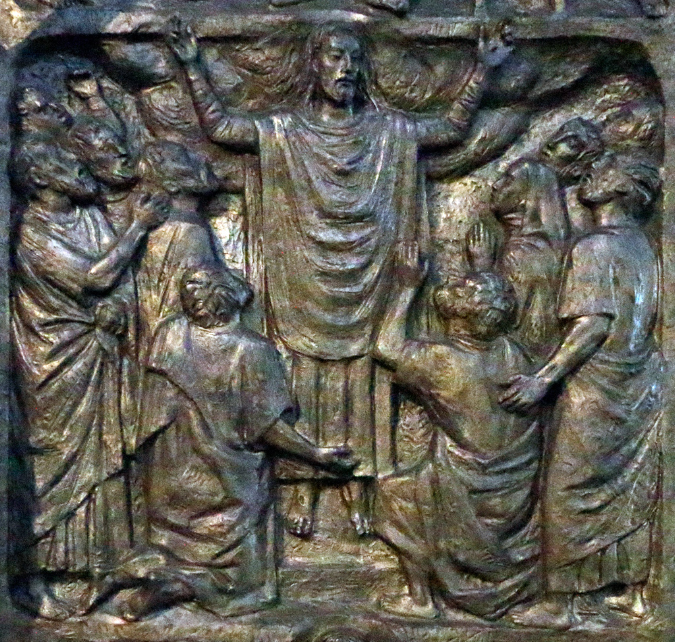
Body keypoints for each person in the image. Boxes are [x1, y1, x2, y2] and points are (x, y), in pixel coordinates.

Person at [166, 17, 514, 538]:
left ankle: (362, 485)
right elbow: (223, 129)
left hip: (373, 268)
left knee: (365, 370)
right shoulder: (285, 130)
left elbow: (448, 129)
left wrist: (482, 70)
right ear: (314, 66)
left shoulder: (389, 131)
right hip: (303, 269)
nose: (345, 67)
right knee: (301, 367)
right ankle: (300, 483)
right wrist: (193, 65)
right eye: (334, 56)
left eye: (354, 58)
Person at [116, 265, 356, 620]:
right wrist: (316, 455)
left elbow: (147, 413)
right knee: (238, 576)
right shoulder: (252, 350)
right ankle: (183, 586)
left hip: (168, 476)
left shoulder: (169, 335)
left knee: (171, 543)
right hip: (227, 480)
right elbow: (268, 428)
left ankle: (144, 574)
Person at [499, 154, 664, 629]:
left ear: (623, 190)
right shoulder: (641, 244)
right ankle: (630, 592)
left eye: (606, 169)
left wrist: (542, 379)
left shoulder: (595, 246)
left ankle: (564, 604)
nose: (592, 173)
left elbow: (593, 324)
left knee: (569, 489)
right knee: (622, 486)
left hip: (597, 384)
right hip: (638, 380)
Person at [10, 135, 168, 619]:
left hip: (99, 354)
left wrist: (116, 311)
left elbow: (116, 287)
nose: (79, 168)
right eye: (65, 162)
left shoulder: (90, 216)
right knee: (55, 458)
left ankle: (100, 566)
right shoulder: (30, 231)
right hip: (54, 359)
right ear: (40, 178)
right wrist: (138, 226)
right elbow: (95, 277)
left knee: (102, 458)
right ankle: (35, 575)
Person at [371, 247, 541, 620]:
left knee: (394, 496)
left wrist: (406, 287)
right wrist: (483, 273)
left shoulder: (442, 360)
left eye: (462, 290)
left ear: (459, 317)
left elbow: (385, 348)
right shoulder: (514, 353)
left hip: (468, 490)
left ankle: (420, 600)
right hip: (514, 492)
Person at [469, 158, 569, 360]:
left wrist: (482, 266)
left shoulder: (520, 254)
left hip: (519, 359)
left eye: (508, 180)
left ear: (526, 198)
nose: (496, 185)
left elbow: (494, 321)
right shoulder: (549, 245)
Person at [134, 140, 221, 358]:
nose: (200, 159)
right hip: (178, 346)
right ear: (172, 185)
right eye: (184, 158)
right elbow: (198, 299)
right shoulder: (187, 231)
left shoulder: (178, 225)